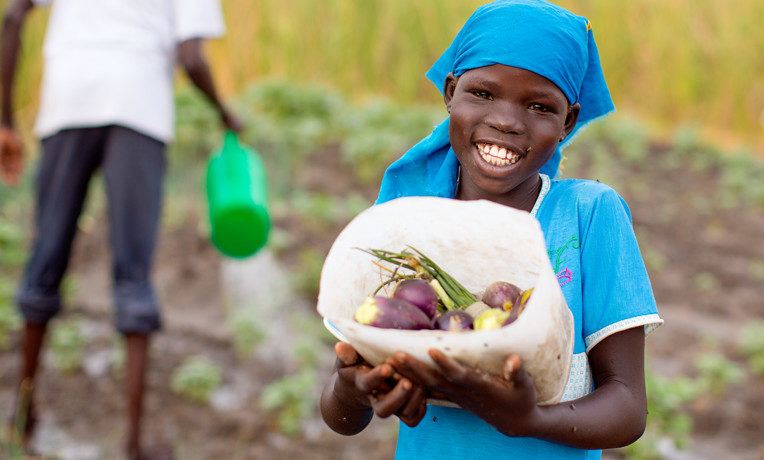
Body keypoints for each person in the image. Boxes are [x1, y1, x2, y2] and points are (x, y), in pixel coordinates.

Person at [320, 1, 663, 458]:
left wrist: (529, 421)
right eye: (482, 94)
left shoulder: (587, 214)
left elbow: (626, 407)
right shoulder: (410, 224)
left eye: (539, 106)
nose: (506, 121)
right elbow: (340, 416)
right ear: (450, 91)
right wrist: (353, 387)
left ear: (568, 121)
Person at [0, 0, 241, 458]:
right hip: (138, 108)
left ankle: (22, 415)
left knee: (45, 256)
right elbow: (191, 57)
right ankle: (131, 442)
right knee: (133, 272)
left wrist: (6, 121)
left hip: (68, 102)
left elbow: (13, 16)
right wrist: (225, 113)